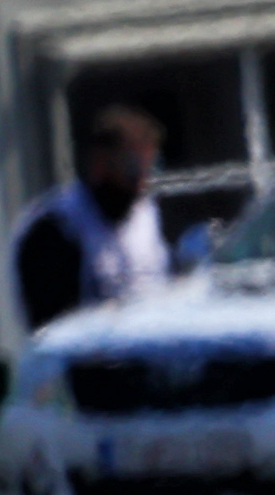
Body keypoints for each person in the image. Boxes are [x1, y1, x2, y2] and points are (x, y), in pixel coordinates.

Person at [13, 107, 167, 334]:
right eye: (133, 169)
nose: (141, 184)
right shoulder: (57, 227)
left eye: (150, 168)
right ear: (100, 163)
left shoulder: (144, 215)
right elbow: (54, 330)